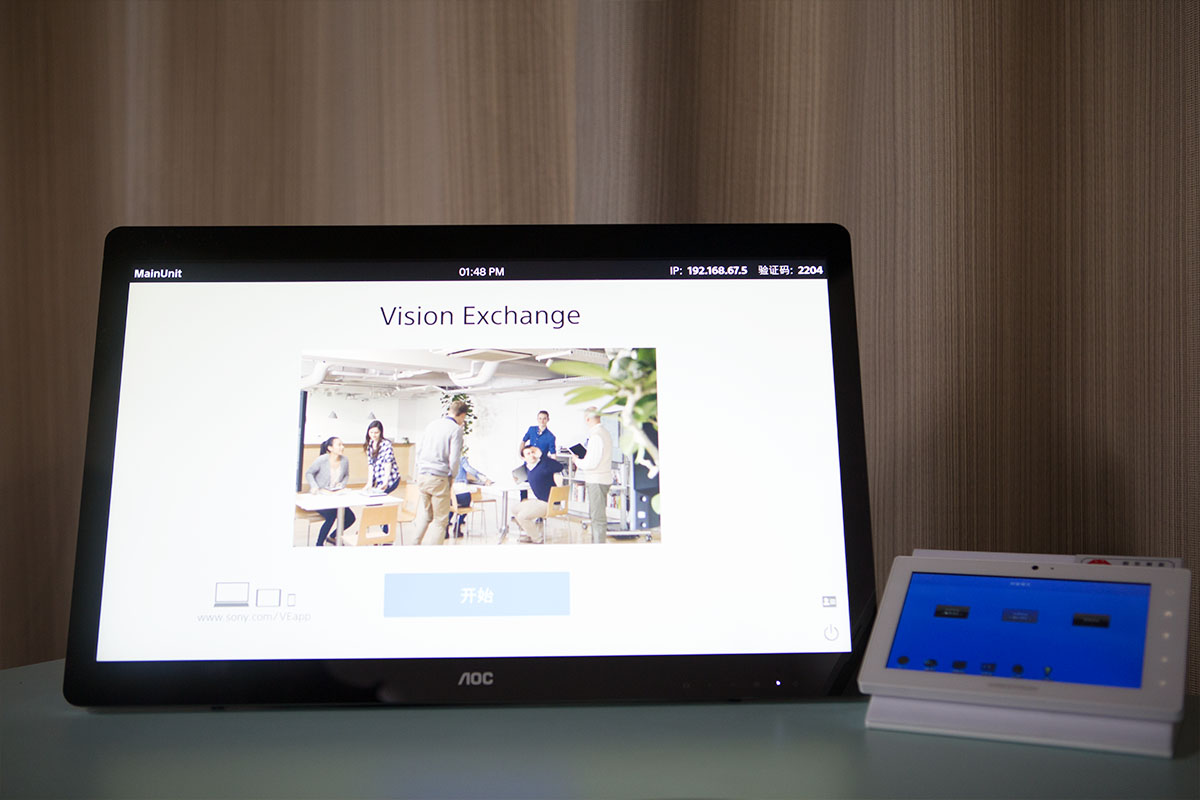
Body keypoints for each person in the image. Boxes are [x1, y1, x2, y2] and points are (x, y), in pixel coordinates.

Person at [410, 400, 468, 546]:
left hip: (422, 475)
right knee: (441, 520)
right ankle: (434, 554)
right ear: (462, 415)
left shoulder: (432, 425)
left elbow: (419, 450)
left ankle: (413, 545)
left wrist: (419, 469)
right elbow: (454, 458)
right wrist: (452, 476)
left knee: (426, 514)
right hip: (439, 477)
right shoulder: (455, 429)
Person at [305, 436, 355, 547]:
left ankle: (332, 537)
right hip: (320, 496)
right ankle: (319, 544)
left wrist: (342, 484)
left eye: (342, 444)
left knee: (350, 518)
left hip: (334, 496)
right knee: (332, 515)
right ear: (330, 448)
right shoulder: (322, 460)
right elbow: (309, 473)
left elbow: (346, 475)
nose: (342, 447)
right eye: (339, 445)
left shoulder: (345, 460)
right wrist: (314, 486)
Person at [574, 407, 613, 544]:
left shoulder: (596, 436)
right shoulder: (605, 432)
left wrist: (577, 461)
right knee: (597, 516)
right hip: (602, 479)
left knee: (597, 518)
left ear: (587, 419)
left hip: (597, 480)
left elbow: (591, 463)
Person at [513, 444, 565, 544]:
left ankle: (537, 539)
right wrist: (518, 479)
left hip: (549, 503)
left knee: (522, 516)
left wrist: (542, 456)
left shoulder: (544, 465)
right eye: (528, 454)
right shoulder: (528, 468)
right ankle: (530, 533)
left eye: (533, 452)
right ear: (524, 458)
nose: (531, 455)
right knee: (514, 509)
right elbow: (532, 478)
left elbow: (559, 467)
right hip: (540, 501)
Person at [448, 452, 493, 538]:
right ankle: (458, 525)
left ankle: (446, 529)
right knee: (465, 506)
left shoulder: (444, 458)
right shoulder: (461, 458)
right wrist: (484, 478)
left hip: (449, 492)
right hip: (462, 493)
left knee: (451, 507)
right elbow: (469, 470)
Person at [519, 410, 556, 500]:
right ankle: (523, 503)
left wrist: (552, 467)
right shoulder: (531, 429)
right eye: (540, 418)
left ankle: (542, 505)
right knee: (523, 484)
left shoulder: (550, 437)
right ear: (537, 419)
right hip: (528, 463)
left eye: (544, 419)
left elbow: (553, 453)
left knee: (540, 487)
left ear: (548, 420)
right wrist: (521, 454)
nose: (542, 421)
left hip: (540, 466)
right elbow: (523, 441)